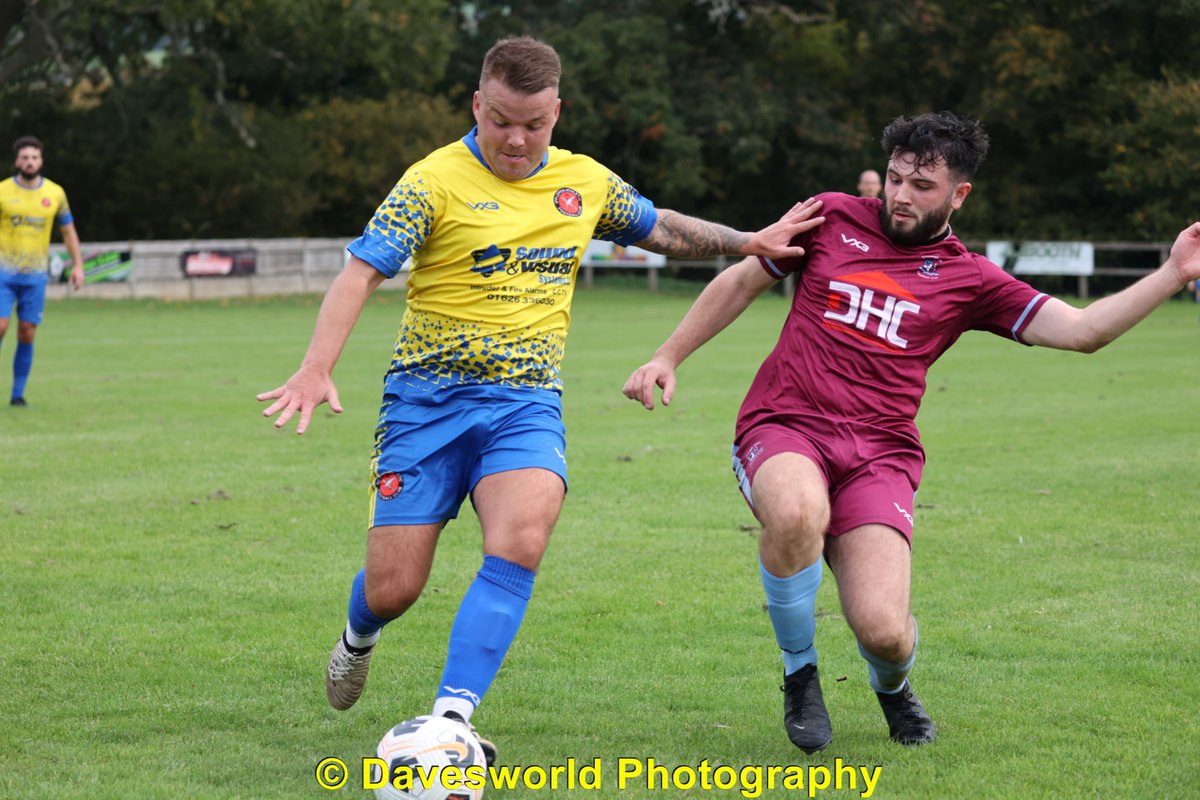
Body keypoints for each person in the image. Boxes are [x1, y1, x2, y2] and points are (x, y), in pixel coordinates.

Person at [256, 36, 823, 761]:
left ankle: (452, 719)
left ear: (558, 112)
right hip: (424, 407)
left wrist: (748, 241)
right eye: (500, 121)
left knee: (522, 538)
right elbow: (360, 274)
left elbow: (663, 231)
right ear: (476, 106)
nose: (517, 139)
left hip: (524, 405)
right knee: (395, 587)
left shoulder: (582, 182)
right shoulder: (433, 180)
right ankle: (358, 635)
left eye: (534, 124)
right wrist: (315, 367)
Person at [623, 111, 1200, 752]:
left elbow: (1083, 331)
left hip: (879, 454)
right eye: (895, 178)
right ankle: (800, 675)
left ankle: (893, 687)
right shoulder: (830, 216)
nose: (899, 195)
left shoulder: (971, 279)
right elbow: (740, 280)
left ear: (959, 195)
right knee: (795, 513)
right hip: (786, 422)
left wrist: (1173, 273)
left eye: (921, 186)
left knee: (884, 632)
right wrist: (667, 355)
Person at [0, 136, 85, 406]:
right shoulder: (2, 191)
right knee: (0, 326)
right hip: (3, 273)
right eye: (24, 157)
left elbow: (68, 231)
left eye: (34, 157)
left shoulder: (55, 193)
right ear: (17, 161)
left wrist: (78, 265)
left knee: (27, 331)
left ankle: (17, 394)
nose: (29, 162)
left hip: (35, 275)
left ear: (42, 160)